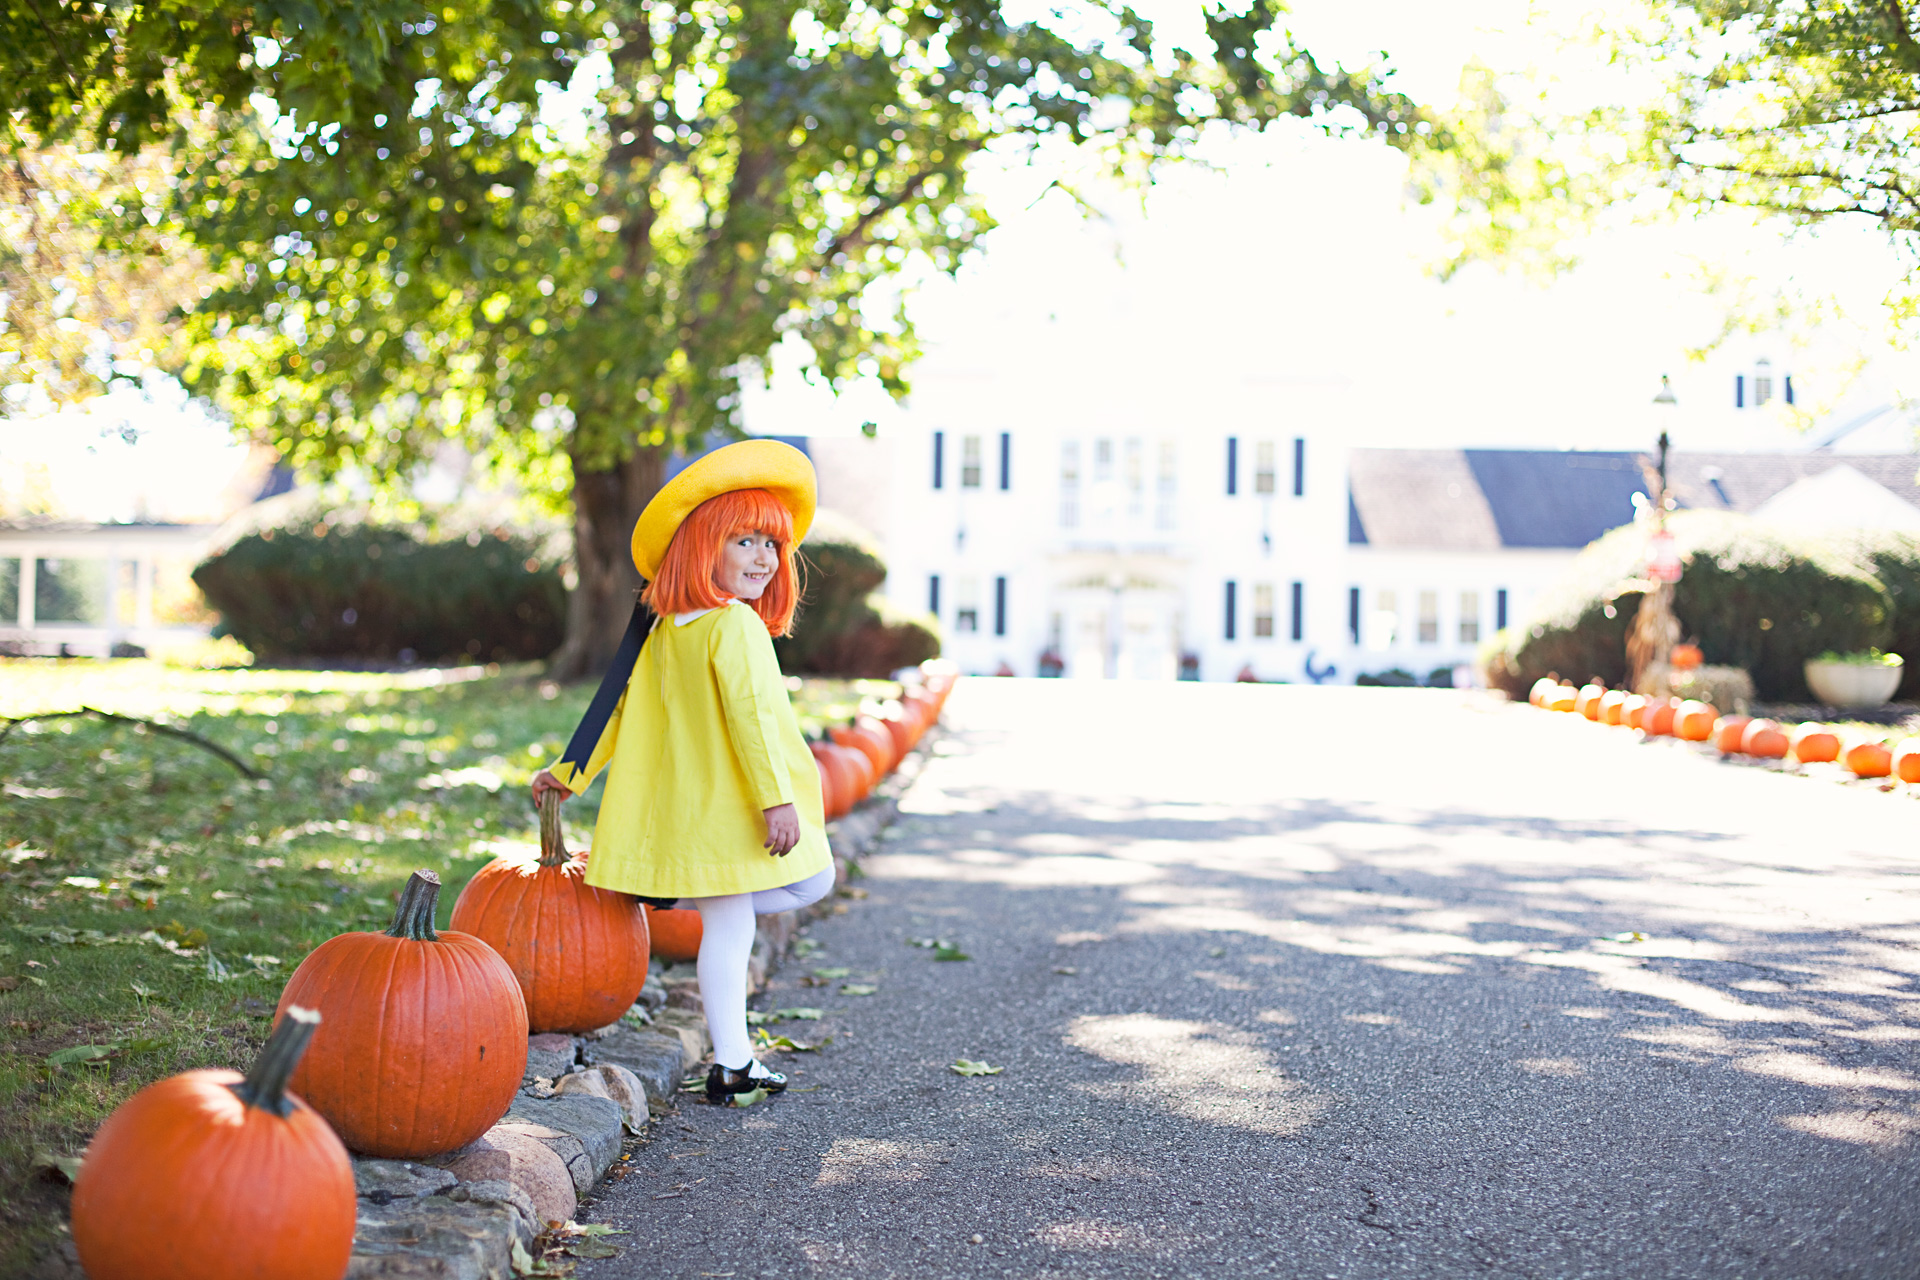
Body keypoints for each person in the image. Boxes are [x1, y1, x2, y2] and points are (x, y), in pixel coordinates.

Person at [530, 440, 835, 1104]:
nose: (763, 558)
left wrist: (570, 772)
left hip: (697, 818)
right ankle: (733, 1064)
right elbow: (750, 718)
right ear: (703, 546)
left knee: (744, 916)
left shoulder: (667, 628)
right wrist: (776, 801)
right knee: (773, 903)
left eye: (771, 545)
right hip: (733, 814)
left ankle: (734, 1057)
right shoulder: (732, 628)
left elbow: (615, 710)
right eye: (745, 541)